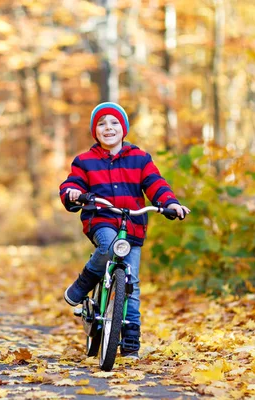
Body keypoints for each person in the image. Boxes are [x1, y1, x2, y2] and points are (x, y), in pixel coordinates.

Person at [59, 102, 190, 359]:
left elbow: (155, 184)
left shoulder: (140, 158)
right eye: (102, 124)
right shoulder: (85, 161)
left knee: (132, 283)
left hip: (132, 225)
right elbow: (71, 183)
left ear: (124, 129)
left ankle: (130, 337)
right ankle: (84, 283)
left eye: (114, 123)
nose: (108, 128)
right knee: (107, 247)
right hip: (101, 219)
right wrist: (72, 192)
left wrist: (170, 203)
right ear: (95, 132)